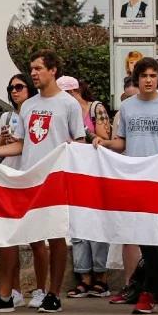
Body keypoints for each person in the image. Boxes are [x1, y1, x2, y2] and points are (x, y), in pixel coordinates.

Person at [0, 50, 87, 314]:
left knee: (55, 236)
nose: (34, 73)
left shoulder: (68, 104)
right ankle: (4, 297)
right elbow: (22, 145)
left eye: (38, 68)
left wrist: (69, 151)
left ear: (53, 70)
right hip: (27, 179)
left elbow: (78, 143)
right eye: (32, 68)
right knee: (9, 232)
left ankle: (53, 294)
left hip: (55, 179)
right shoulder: (29, 106)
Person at [92, 57, 158, 315]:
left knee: (156, 235)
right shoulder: (127, 108)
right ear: (137, 79)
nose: (148, 80)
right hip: (135, 177)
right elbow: (121, 142)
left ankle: (148, 292)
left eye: (153, 75)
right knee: (145, 235)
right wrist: (103, 143)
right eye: (144, 75)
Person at [0, 74, 48, 309]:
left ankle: (41, 290)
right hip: (9, 175)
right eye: (11, 88)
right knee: (9, 236)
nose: (15, 91)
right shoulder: (6, 116)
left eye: (19, 87)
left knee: (37, 238)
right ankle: (13, 290)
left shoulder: (38, 113)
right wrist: (4, 142)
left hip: (31, 175)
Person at [58, 76, 112, 298]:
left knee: (96, 222)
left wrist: (83, 132)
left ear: (74, 92)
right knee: (77, 224)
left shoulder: (95, 108)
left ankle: (101, 276)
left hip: (95, 172)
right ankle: (84, 276)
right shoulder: (60, 113)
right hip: (72, 173)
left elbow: (105, 137)